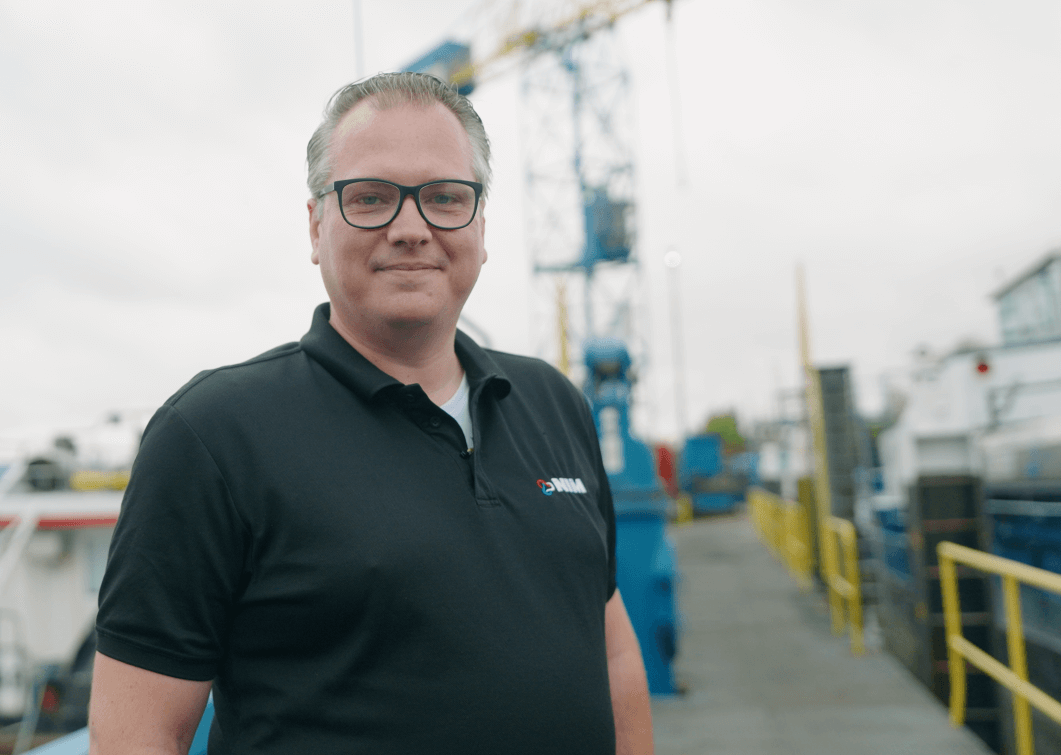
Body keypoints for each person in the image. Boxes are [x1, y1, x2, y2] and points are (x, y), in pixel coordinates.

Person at [90, 72, 654, 755]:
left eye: (446, 198)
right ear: (316, 223)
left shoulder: (554, 402)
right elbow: (139, 734)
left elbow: (611, 646)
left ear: (480, 224)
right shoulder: (212, 436)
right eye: (371, 199)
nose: (411, 229)